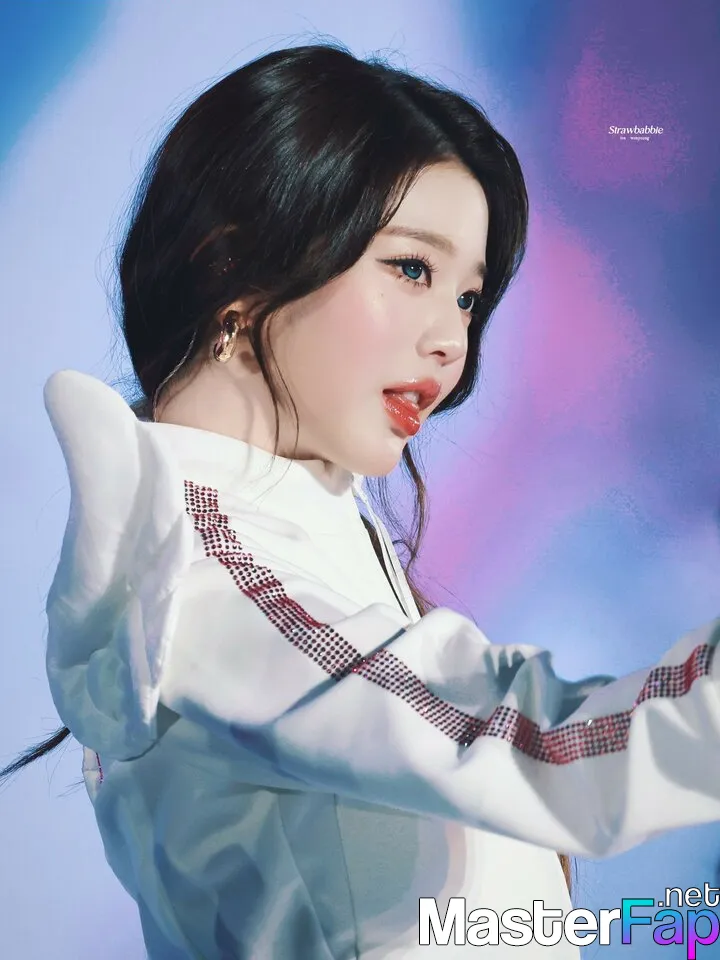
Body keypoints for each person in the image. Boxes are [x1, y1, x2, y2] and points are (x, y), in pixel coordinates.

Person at [2, 42, 720, 960]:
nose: (452, 342)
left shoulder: (299, 535)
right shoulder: (208, 578)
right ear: (235, 262)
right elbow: (546, 755)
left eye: (468, 299)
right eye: (413, 269)